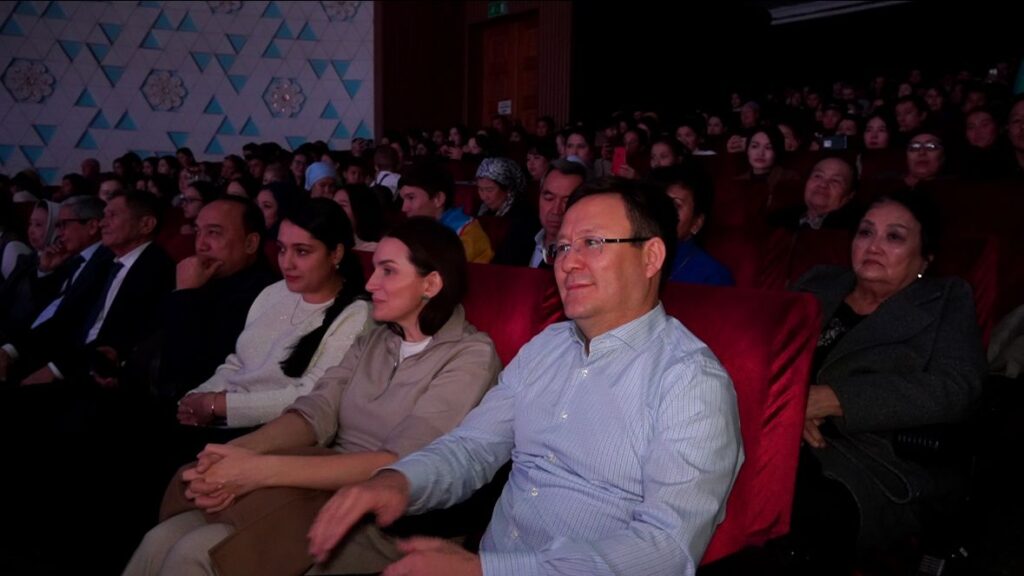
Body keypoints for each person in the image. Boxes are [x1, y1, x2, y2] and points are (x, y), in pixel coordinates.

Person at [306, 179, 743, 576]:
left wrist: (488, 571)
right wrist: (399, 481)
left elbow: (666, 549)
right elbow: (473, 446)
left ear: (651, 257)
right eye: (562, 247)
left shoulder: (690, 382)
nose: (567, 263)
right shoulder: (546, 346)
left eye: (592, 243)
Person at [125, 217, 501, 576]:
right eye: (374, 269)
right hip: (314, 484)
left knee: (197, 553)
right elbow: (314, 411)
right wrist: (235, 454)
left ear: (430, 284)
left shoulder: (470, 354)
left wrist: (257, 471)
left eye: (388, 271)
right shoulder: (376, 338)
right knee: (162, 538)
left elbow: (403, 463)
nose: (371, 283)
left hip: (387, 517)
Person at [789, 191, 986, 570]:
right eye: (865, 233)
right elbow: (763, 352)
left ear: (925, 257)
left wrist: (834, 398)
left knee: (799, 510)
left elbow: (958, 386)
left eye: (894, 237)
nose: (873, 246)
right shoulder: (818, 282)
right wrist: (789, 408)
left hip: (868, 458)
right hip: (772, 433)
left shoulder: (946, 298)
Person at [175, 198, 373, 429]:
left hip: (275, 431)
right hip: (221, 415)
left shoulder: (356, 314)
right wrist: (195, 397)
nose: (286, 263)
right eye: (281, 249)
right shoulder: (274, 292)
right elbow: (238, 362)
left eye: (301, 251)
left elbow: (313, 394)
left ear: (336, 254)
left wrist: (218, 405)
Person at [651, 165, 733, 285]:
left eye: (676, 205)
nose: (663, 211)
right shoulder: (634, 258)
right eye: (659, 203)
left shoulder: (713, 276)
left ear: (696, 223)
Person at [399, 162, 493, 264]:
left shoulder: (468, 233)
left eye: (411, 198)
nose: (404, 208)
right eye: (403, 200)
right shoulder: (413, 230)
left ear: (438, 199)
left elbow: (434, 268)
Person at [474, 157, 540, 266]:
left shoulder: (524, 218)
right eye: (480, 189)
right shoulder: (482, 210)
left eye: (490, 190)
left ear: (508, 189)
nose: (484, 197)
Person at [527, 159, 586, 268]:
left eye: (567, 202)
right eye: (549, 198)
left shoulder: (586, 253)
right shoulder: (519, 234)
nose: (556, 210)